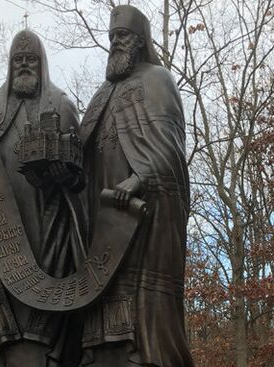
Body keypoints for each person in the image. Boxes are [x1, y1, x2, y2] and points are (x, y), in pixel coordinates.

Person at [0, 29, 85, 367]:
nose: (24, 66)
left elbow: (83, 179)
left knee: (45, 327)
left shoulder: (62, 106)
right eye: (18, 60)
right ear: (10, 66)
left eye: (31, 60)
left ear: (42, 64)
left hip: (48, 232)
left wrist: (62, 175)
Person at [77, 5, 194, 366]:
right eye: (111, 37)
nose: (114, 43)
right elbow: (81, 158)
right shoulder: (99, 96)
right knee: (102, 328)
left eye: (122, 36)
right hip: (101, 228)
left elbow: (170, 149)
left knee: (142, 323)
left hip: (142, 225)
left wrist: (139, 177)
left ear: (140, 42)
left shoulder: (157, 80)